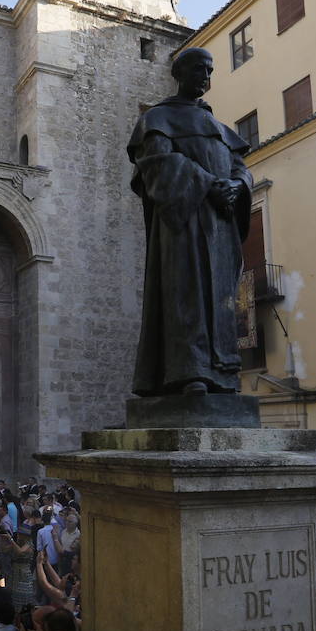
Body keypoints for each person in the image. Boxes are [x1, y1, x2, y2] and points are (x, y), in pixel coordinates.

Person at [127, 45, 253, 396]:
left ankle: (222, 373)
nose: (206, 77)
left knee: (221, 299)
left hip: (220, 224)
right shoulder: (157, 119)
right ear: (179, 74)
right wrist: (210, 184)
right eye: (200, 69)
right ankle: (188, 373)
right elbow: (157, 163)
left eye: (210, 70)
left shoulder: (217, 125)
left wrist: (237, 184)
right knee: (187, 294)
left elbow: (241, 167)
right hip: (183, 220)